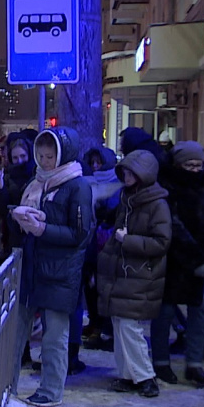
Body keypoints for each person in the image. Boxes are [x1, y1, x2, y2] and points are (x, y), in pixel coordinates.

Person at [10, 127, 93, 407]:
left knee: (54, 337)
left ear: (63, 155)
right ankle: (5, 386)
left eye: (50, 156)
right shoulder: (38, 182)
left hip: (60, 272)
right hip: (34, 267)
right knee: (16, 332)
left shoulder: (77, 186)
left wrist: (43, 228)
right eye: (42, 156)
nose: (45, 162)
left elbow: (80, 234)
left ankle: (51, 391)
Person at [97, 149, 171, 398]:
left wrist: (128, 241)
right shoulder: (129, 199)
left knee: (128, 326)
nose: (126, 176)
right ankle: (128, 375)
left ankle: (145, 376)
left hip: (141, 274)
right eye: (125, 171)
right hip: (126, 272)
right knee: (120, 324)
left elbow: (161, 242)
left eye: (131, 172)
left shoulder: (156, 204)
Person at [154, 141, 204, 387]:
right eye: (189, 165)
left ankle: (195, 364)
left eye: (198, 165)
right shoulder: (167, 185)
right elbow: (173, 225)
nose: (194, 169)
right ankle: (160, 362)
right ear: (178, 165)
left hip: (200, 256)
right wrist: (194, 256)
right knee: (165, 310)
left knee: (201, 306)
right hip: (173, 258)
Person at [81, 146, 122, 351]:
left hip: (106, 244)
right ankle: (95, 323)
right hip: (90, 243)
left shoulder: (117, 184)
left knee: (104, 288)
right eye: (93, 162)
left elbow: (113, 213)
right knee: (90, 286)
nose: (95, 166)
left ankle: (105, 328)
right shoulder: (88, 183)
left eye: (99, 162)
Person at [0, 132, 36, 260]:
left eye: (23, 156)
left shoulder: (35, 176)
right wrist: (0, 189)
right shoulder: (7, 177)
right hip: (11, 236)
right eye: (15, 158)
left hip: (31, 235)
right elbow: (2, 210)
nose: (19, 161)